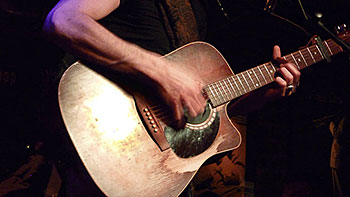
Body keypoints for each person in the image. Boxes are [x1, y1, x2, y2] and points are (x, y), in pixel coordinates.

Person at [42, 0, 300, 196]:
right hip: (105, 137)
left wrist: (261, 97)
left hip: (152, 170)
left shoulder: (196, 10)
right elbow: (63, 20)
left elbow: (202, 111)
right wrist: (160, 71)